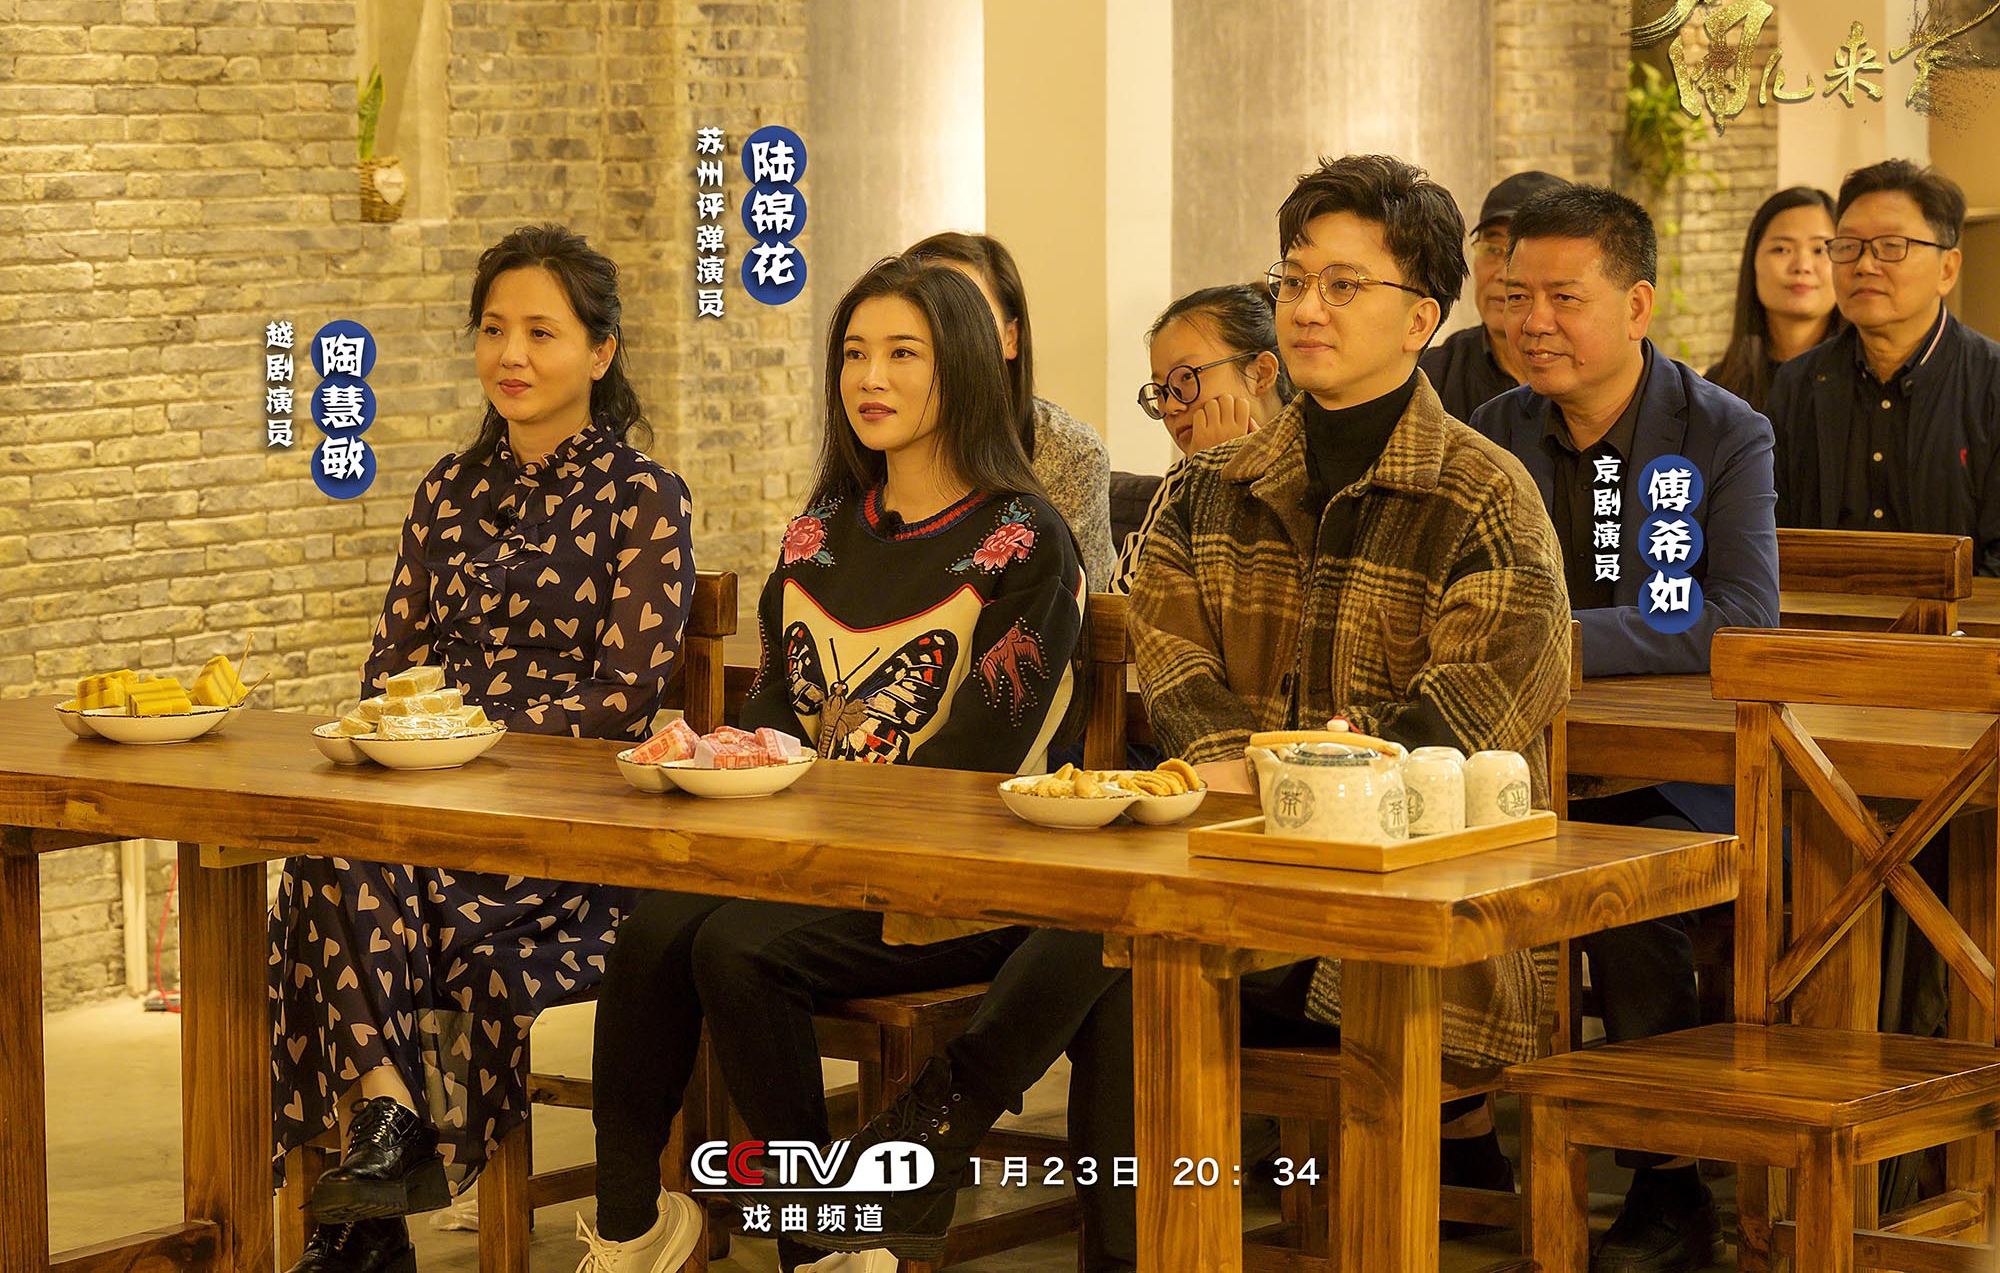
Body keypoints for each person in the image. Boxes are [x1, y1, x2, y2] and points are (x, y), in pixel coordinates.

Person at [799, 155, 1573, 1273]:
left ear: (1420, 318)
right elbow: (1171, 667)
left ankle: (938, 1123)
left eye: (1343, 285)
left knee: (1128, 932)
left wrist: (1272, 779)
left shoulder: (1484, 495)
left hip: (1396, 913)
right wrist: (1245, 781)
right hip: (1209, 886)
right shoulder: (1206, 490)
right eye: (1295, 279)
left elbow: (1467, 714)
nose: (1307, 307)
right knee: (1135, 943)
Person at [576, 256, 1086, 1273]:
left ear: (964, 369)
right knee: (655, 926)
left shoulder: (1025, 539)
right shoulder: (820, 530)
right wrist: (729, 767)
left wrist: (805, 825)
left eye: (903, 354)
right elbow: (776, 707)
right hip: (810, 859)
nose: (871, 378)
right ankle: (633, 1226)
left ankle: (823, 1243)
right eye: (854, 353)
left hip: (959, 880)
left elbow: (973, 758)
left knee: (738, 949)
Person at [270, 223, 698, 1273]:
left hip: (569, 840)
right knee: (331, 854)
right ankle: (389, 1130)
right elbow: (389, 669)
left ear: (599, 351)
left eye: (541, 332)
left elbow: (625, 698)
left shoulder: (644, 495)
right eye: (493, 329)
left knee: (335, 874)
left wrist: (474, 737)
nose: (511, 354)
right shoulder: (445, 491)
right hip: (433, 815)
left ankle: (367, 1209)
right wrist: (417, 738)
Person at [1473, 183, 1779, 1273]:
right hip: (1526, 761)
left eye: (1564, 298)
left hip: (1675, 773)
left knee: (1621, 885)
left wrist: (1549, 638)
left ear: (1637, 305)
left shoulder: (1722, 432)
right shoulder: (1494, 431)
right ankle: (1457, 1129)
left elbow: (1738, 613)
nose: (1532, 322)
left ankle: (1666, 1181)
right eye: (1516, 297)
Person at [1769, 159, 2000, 574]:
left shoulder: (1991, 384)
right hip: (1820, 613)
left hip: (1960, 616)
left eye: (1891, 246)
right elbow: (1772, 538)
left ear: (1947, 270)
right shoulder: (1797, 384)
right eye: (1848, 246)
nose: (1864, 265)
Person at [903, 232, 1117, 588]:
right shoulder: (882, 432)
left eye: (968, 318)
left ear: (1010, 337)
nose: (948, 340)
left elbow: (1078, 602)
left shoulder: (1066, 451)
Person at [1107, 283, 1293, 594]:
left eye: (1186, 378)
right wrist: (1203, 478)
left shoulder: (1306, 465)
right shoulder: (1183, 476)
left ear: (1261, 373)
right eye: (1161, 391)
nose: (1171, 406)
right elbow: (1125, 597)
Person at [1421, 169, 1569, 420]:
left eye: (1520, 255)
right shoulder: (1434, 377)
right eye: (1491, 249)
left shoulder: (1591, 376)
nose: (1503, 274)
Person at [1706, 185, 1843, 412]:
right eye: (1781, 250)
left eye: (1819, 250)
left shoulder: (1866, 383)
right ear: (1753, 261)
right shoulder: (1716, 391)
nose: (1802, 266)